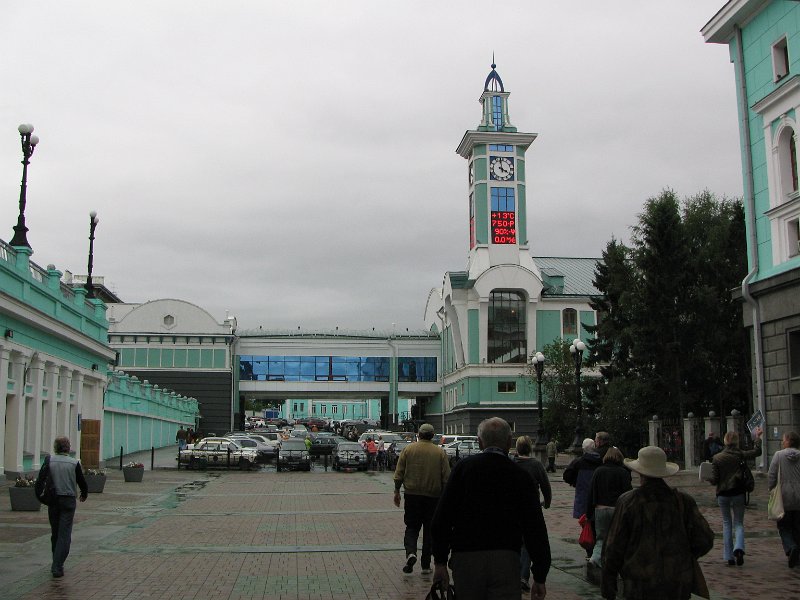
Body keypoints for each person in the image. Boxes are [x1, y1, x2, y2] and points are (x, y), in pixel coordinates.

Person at [431, 417, 551, 600]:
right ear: (509, 442)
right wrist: (540, 575)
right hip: (506, 559)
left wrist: (440, 561)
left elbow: (442, 518)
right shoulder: (520, 475)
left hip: (466, 557)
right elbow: (535, 527)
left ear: (479, 442)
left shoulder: (463, 470)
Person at [601, 446, 714, 600]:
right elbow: (705, 539)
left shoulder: (628, 502)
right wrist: (682, 556)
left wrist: (608, 583)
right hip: (677, 583)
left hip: (639, 584)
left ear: (640, 472)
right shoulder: (683, 501)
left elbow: (613, 546)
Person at [393, 423, 450, 575]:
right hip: (433, 497)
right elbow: (446, 478)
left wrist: (397, 490)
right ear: (432, 436)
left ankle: (411, 552)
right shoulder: (440, 453)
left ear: (418, 434)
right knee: (430, 531)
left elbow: (399, 472)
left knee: (411, 527)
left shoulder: (408, 449)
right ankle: (426, 565)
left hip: (412, 496)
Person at [709, 426, 763, 566]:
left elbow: (714, 480)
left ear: (725, 441)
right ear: (737, 441)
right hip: (738, 492)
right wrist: (758, 438)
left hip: (723, 494)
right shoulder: (740, 454)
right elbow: (757, 451)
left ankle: (729, 557)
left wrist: (708, 478)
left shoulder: (717, 458)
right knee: (739, 523)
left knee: (727, 523)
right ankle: (739, 547)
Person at [39, 436, 88, 578]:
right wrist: (84, 494)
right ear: (68, 447)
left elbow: (41, 479)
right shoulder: (74, 463)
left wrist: (41, 496)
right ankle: (57, 565)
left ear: (55, 447)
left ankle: (56, 559)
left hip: (53, 500)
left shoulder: (50, 461)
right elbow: (82, 481)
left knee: (55, 532)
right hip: (68, 500)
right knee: (64, 534)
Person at [513, 435, 552, 593]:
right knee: (528, 544)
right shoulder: (535, 465)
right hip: (531, 509)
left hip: (513, 509)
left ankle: (514, 574)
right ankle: (523, 576)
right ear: (530, 448)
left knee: (515, 541)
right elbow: (545, 486)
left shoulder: (511, 463)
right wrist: (547, 502)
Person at [586, 447, 631, 567]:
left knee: (601, 538)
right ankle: (613, 561)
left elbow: (591, 492)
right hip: (616, 509)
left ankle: (595, 558)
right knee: (617, 537)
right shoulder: (623, 472)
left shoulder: (598, 471)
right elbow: (628, 493)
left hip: (600, 509)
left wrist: (589, 512)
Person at [563, 438, 602, 557]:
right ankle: (597, 550)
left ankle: (590, 551)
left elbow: (567, 475)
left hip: (583, 496)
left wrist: (575, 482)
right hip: (599, 497)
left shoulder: (578, 462)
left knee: (586, 524)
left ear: (584, 449)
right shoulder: (600, 461)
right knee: (597, 525)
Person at [768, 430, 800, 568]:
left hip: (783, 496)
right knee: (797, 526)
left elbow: (772, 475)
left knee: (784, 526)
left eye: (783, 439)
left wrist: (772, 489)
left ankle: (791, 547)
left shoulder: (778, 455)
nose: (782, 442)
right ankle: (797, 552)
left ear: (788, 441)